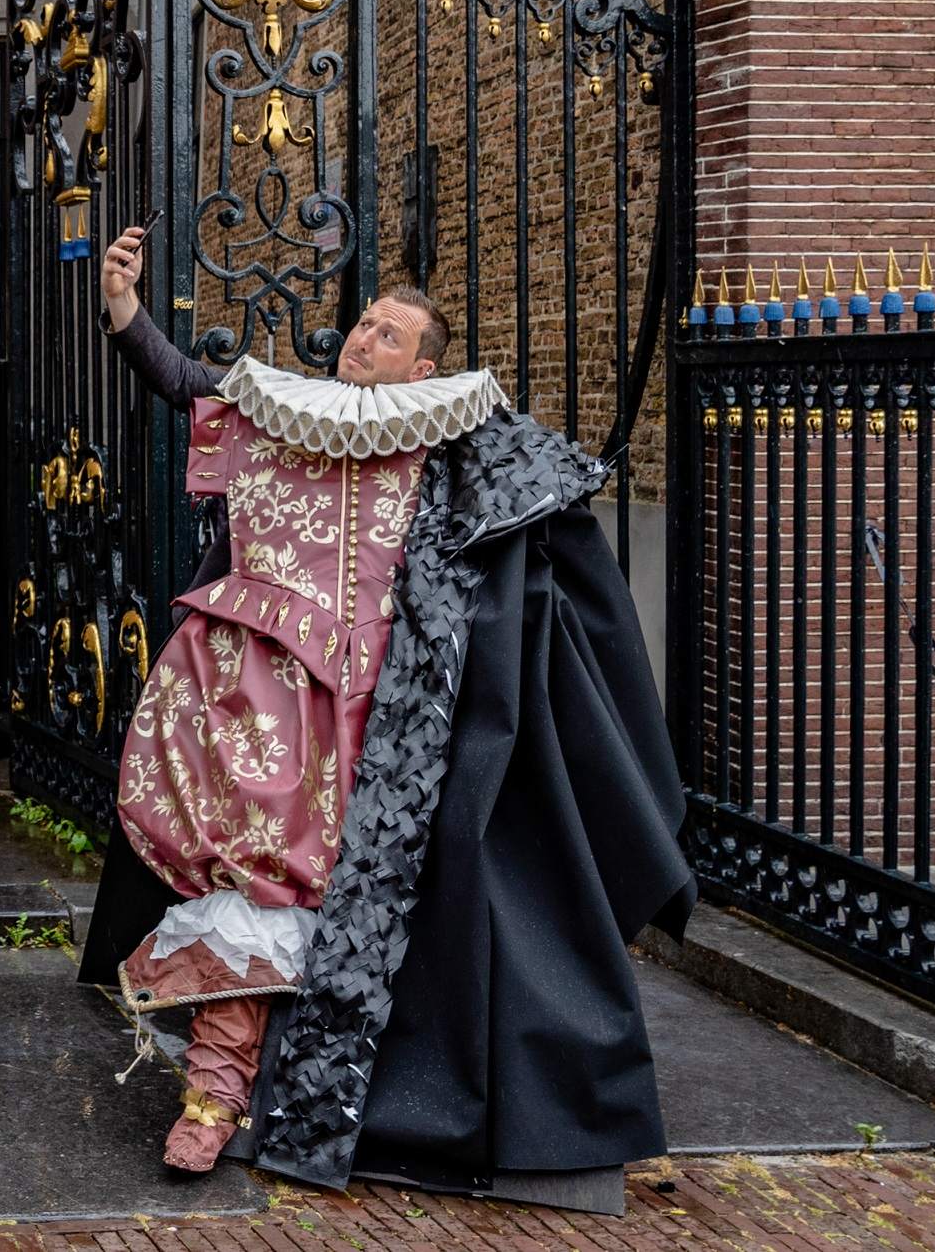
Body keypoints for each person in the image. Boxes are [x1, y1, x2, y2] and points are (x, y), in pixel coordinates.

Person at [78, 223, 692, 1211]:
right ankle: (214, 1091)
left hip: (386, 708)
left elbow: (539, 517)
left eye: (386, 333)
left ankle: (331, 1095)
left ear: (425, 365)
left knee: (368, 903)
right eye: (362, 323)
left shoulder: (455, 439)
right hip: (259, 694)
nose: (361, 339)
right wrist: (122, 310)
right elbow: (190, 380)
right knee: (257, 878)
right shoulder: (283, 410)